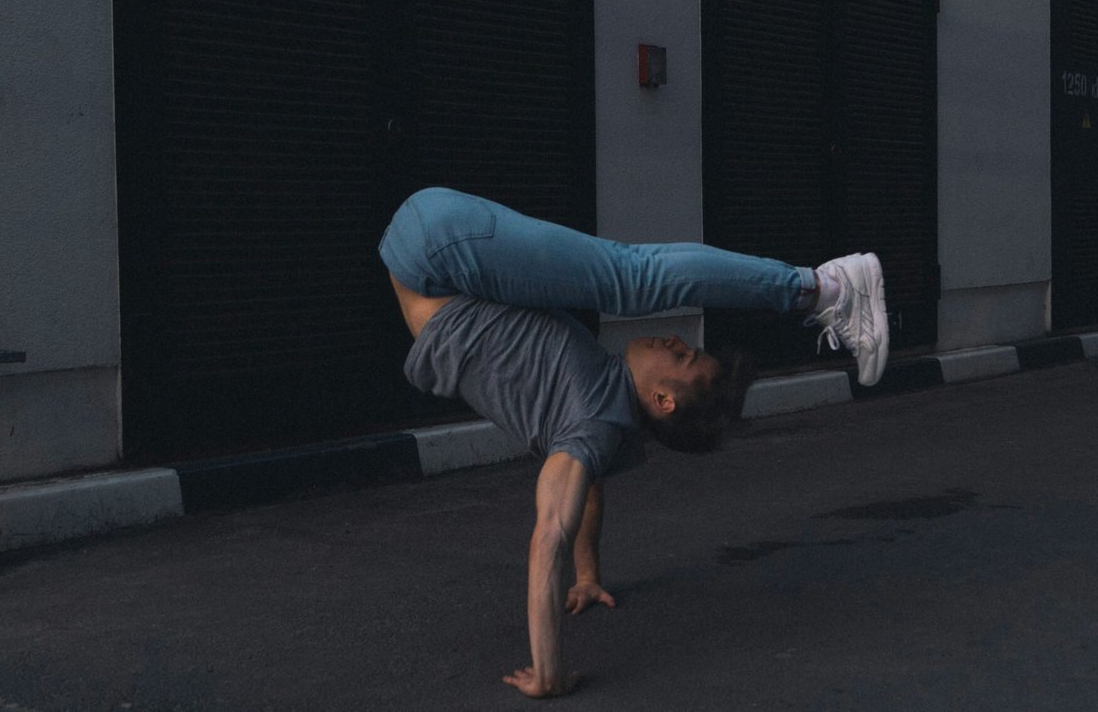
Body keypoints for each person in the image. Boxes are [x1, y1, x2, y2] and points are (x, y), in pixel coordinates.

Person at [378, 187, 888, 698]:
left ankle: (828, 287)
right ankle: (821, 287)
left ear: (663, 400)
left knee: (631, 276)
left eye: (682, 355)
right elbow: (583, 484)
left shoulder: (595, 426)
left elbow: (554, 528)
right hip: (432, 251)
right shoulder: (601, 415)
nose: (672, 340)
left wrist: (553, 660)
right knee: (627, 277)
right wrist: (589, 571)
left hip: (435, 248)